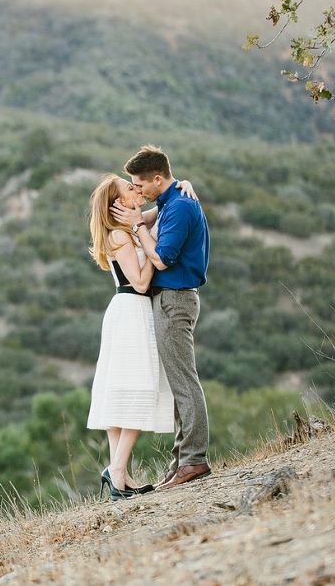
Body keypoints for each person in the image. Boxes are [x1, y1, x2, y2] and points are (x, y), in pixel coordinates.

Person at [84, 174, 191, 499]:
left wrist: (185, 184)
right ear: (117, 203)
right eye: (130, 188)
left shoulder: (128, 226)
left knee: (123, 391)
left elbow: (161, 209)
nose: (137, 190)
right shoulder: (118, 235)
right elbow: (142, 282)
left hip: (130, 311)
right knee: (137, 388)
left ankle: (119, 471)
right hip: (133, 309)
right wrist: (157, 257)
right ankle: (116, 471)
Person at [112, 145, 211, 490]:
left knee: (184, 381)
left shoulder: (180, 205)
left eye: (139, 185)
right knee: (178, 382)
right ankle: (181, 461)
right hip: (169, 300)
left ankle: (194, 461)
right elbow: (151, 214)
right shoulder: (172, 201)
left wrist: (138, 225)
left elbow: (163, 259)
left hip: (174, 299)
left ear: (157, 179)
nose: (136, 191)